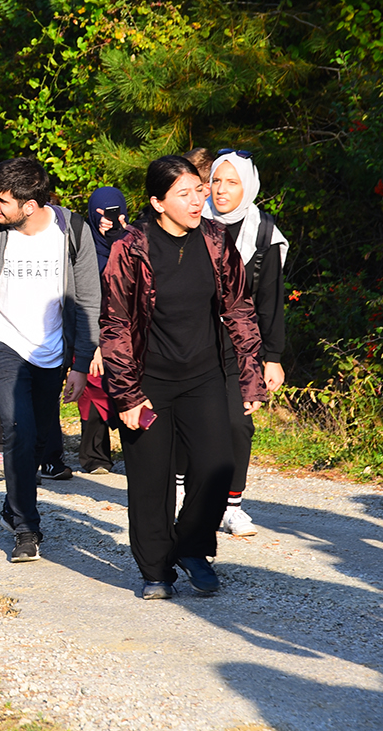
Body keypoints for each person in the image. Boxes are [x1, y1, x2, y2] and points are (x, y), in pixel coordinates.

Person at [100, 155, 266, 599]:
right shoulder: (129, 248)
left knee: (217, 465)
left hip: (204, 375)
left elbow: (239, 308)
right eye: (185, 193)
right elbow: (115, 325)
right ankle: (156, 569)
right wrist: (127, 395)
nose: (199, 200)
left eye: (200, 189)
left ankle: (192, 547)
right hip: (147, 382)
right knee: (151, 478)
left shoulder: (215, 240)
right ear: (158, 202)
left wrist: (251, 374)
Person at [0, 158, 99, 565]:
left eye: (2, 200)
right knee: (17, 427)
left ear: (30, 204)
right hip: (1, 344)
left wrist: (81, 362)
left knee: (39, 436)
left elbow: (89, 298)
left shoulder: (73, 231)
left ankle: (13, 502)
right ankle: (25, 527)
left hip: (52, 350)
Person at [203, 150, 289, 537]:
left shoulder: (264, 232)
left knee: (238, 424)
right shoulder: (190, 220)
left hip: (241, 342)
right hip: (191, 336)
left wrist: (272, 357)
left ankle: (232, 505)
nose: (221, 190)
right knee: (190, 421)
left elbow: (270, 300)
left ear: (248, 186)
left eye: (231, 182)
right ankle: (182, 494)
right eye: (216, 181)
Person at [79, 187, 130, 475]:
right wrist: (94, 344)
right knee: (93, 389)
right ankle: (95, 456)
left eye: (112, 213)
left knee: (128, 390)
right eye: (99, 214)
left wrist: (122, 241)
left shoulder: (136, 243)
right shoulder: (82, 247)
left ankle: (136, 454)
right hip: (92, 331)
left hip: (131, 336)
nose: (106, 221)